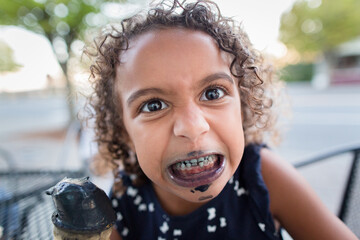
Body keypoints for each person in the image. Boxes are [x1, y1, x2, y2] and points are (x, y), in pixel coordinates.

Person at [85, 0, 358, 239]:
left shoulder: (264, 179)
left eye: (213, 93)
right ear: (123, 132)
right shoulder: (124, 199)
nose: (193, 127)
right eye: (153, 105)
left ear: (243, 106)